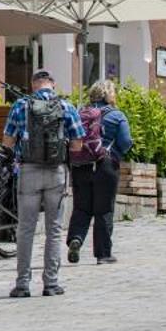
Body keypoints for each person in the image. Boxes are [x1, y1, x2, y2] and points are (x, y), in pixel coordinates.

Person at [3, 71, 84, 298]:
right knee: (54, 230)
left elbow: (7, 142)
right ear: (53, 85)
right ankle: (51, 283)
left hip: (28, 171)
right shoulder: (66, 107)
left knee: (26, 229)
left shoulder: (20, 105)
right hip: (56, 173)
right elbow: (78, 145)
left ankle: (22, 284)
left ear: (33, 85)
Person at [67, 79, 134, 265]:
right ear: (108, 94)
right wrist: (116, 153)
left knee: (81, 207)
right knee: (104, 209)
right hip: (105, 165)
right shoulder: (116, 115)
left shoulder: (80, 113)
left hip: (81, 165)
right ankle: (103, 254)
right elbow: (126, 141)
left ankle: (76, 239)